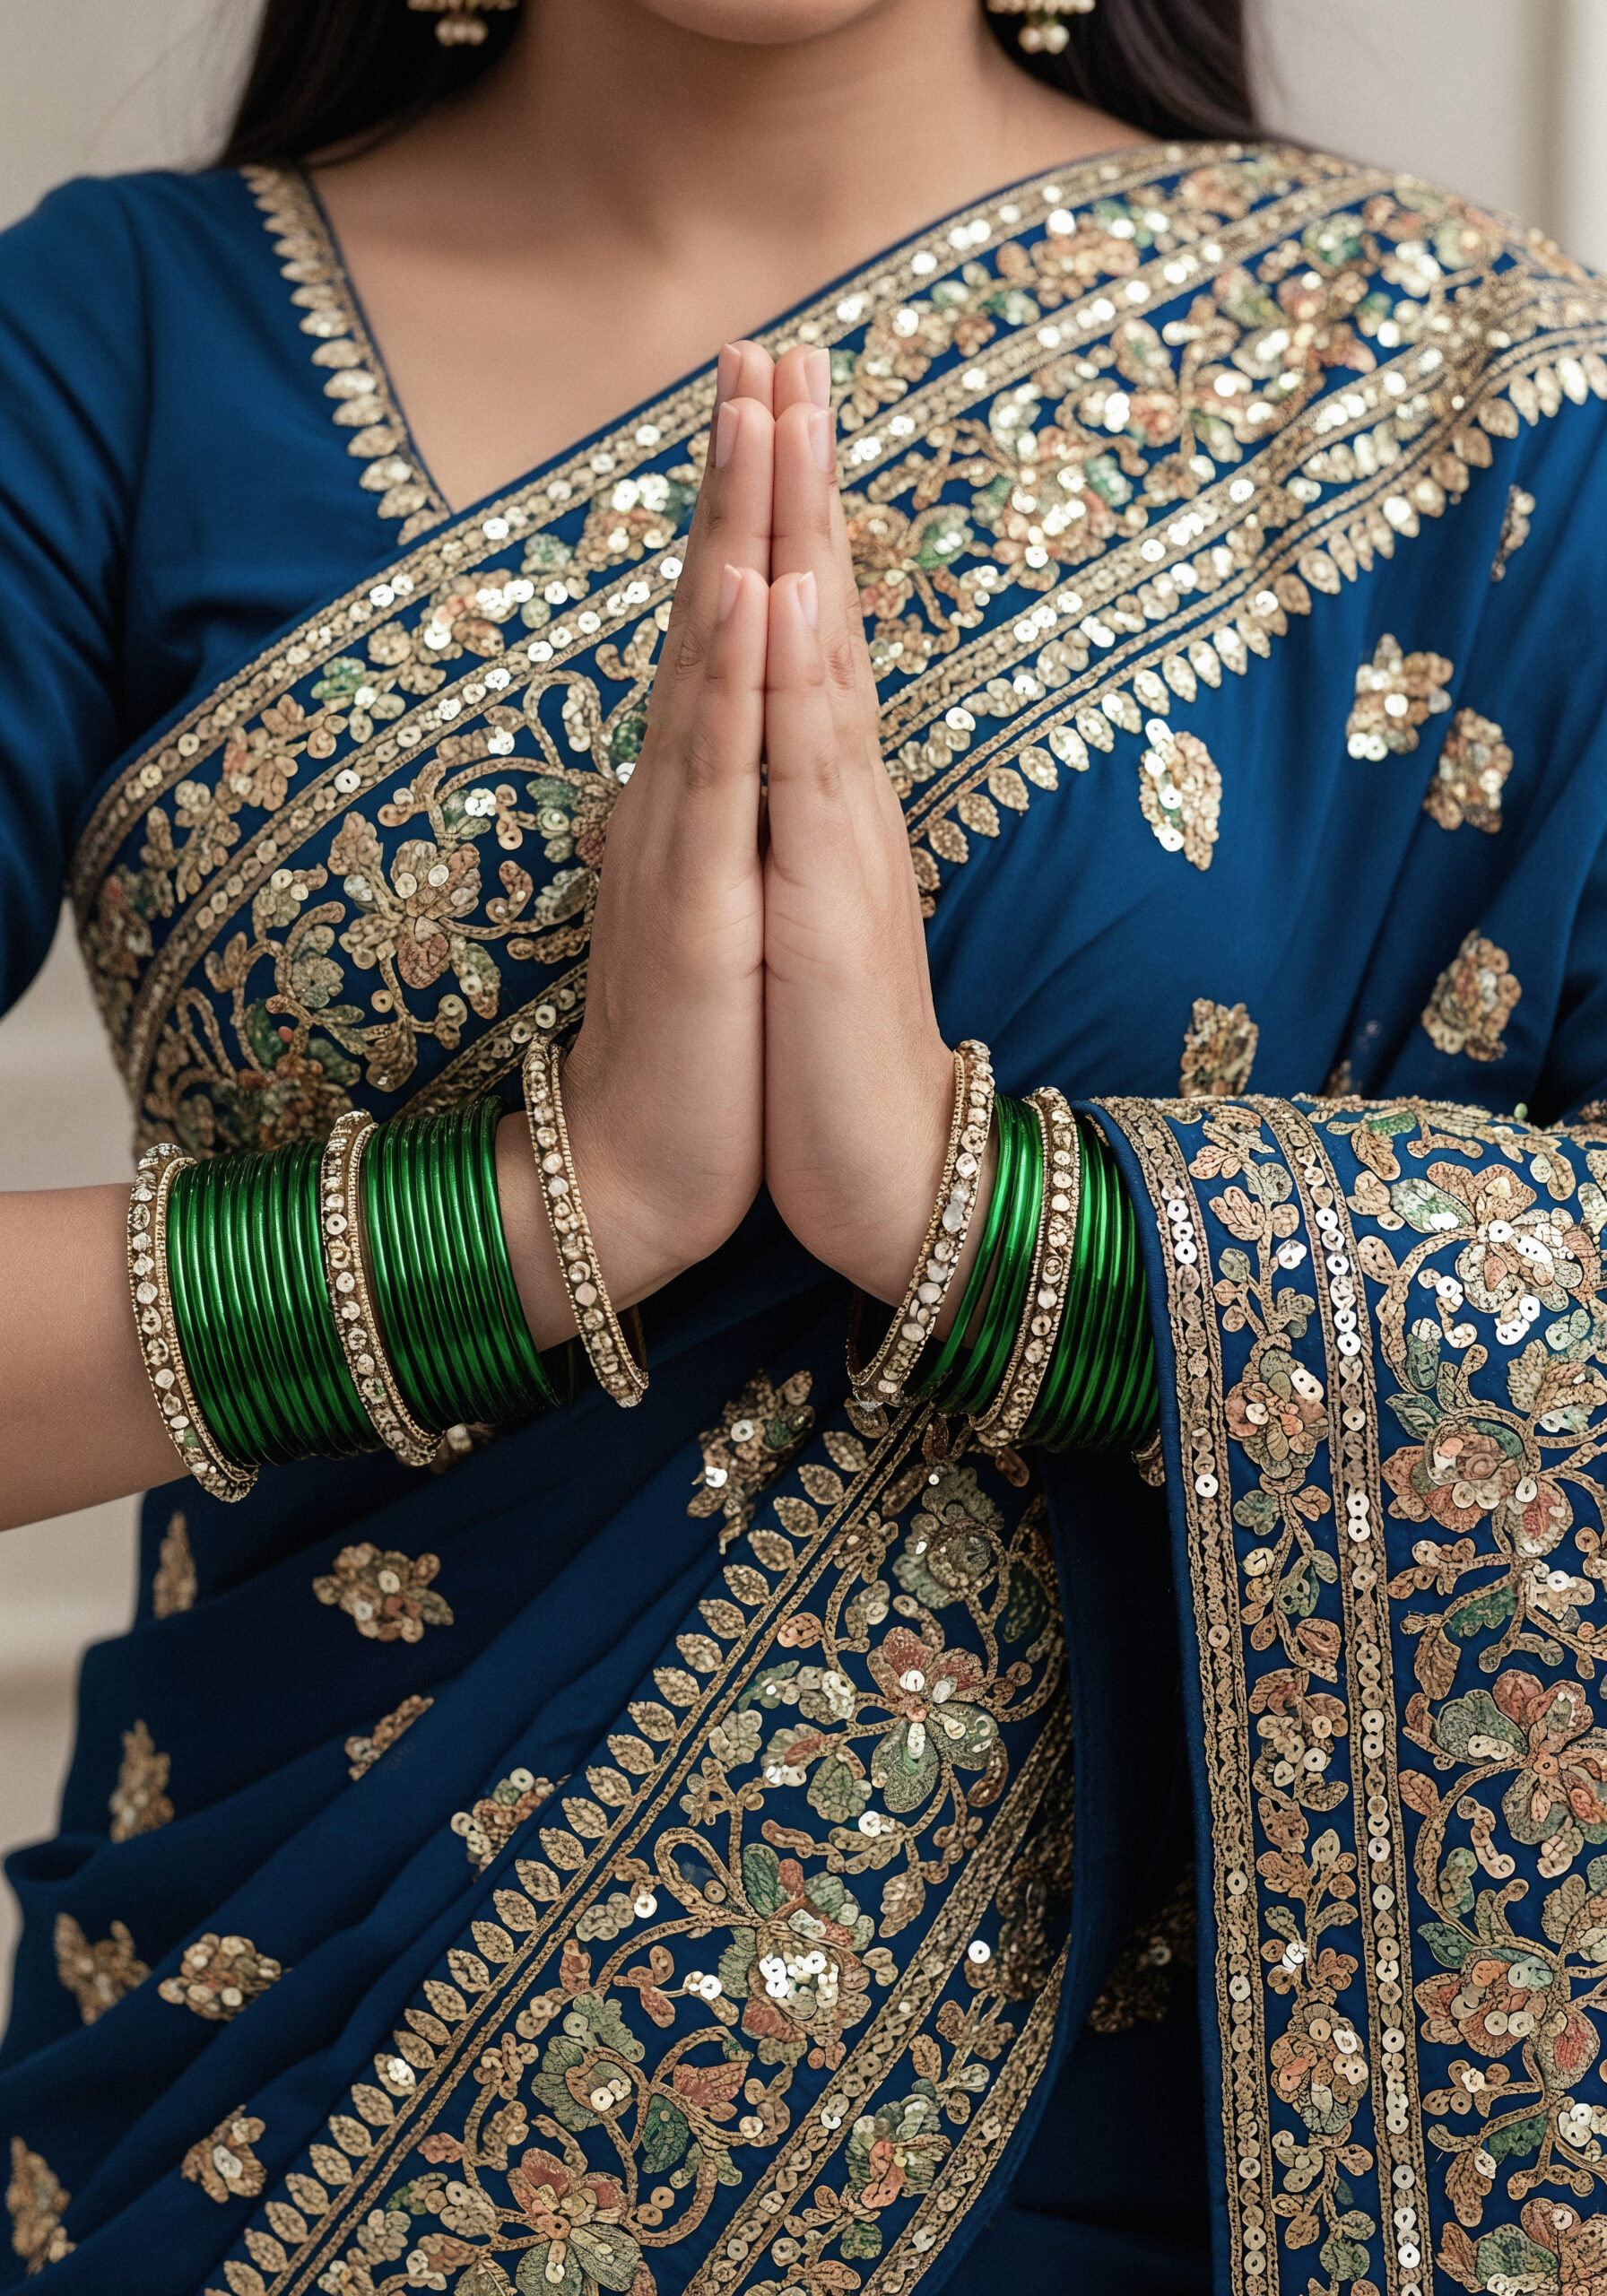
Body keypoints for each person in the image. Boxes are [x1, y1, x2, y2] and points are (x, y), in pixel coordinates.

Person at [2, 0, 1607, 2288]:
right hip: (251, 2140)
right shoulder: (117, 351)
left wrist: (994, 1232)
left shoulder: (1462, 405)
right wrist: (523, 1215)